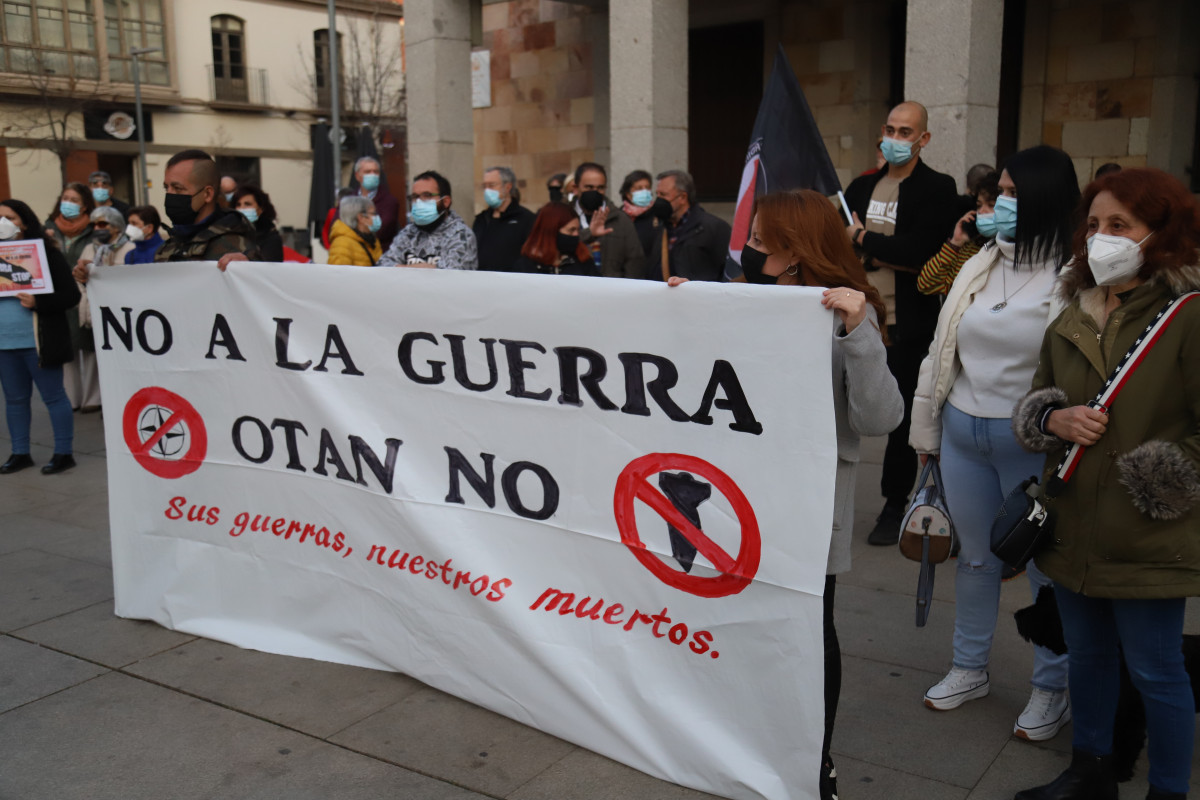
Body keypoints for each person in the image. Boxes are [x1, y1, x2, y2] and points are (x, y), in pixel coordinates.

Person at [669, 189, 903, 800]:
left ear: (795, 247)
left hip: (804, 505)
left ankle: (814, 759)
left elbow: (880, 417)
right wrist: (670, 312)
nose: (750, 242)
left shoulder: (848, 313)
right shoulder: (746, 302)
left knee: (807, 629)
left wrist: (858, 330)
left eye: (763, 234)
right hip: (733, 494)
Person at [1011, 168, 1200, 800]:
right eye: (1093, 224)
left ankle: (1168, 790)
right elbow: (1039, 397)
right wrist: (1050, 417)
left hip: (1147, 529)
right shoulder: (1075, 308)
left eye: (1119, 225)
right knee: (1086, 659)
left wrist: (1158, 478)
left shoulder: (1188, 315)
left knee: (1156, 670)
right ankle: (1089, 772)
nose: (1101, 238)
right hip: (1070, 524)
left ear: (1160, 233)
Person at [909, 145, 1079, 742]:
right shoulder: (983, 260)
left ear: (1042, 199)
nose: (996, 203)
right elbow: (943, 346)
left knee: (1044, 569)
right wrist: (927, 432)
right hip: (962, 432)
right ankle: (969, 667)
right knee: (977, 559)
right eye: (996, 192)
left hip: (1031, 442)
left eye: (1009, 192)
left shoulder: (1074, 273)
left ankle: (1052, 688)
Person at [843, 100, 960, 546]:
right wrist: (871, 249)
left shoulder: (937, 188)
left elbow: (921, 252)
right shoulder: (859, 187)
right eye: (890, 129)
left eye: (906, 132)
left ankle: (895, 504)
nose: (895, 139)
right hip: (860, 319)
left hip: (910, 324)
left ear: (923, 139)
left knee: (902, 417)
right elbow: (840, 244)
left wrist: (862, 241)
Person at [0, 198, 80, 475]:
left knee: (54, 396)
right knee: (14, 400)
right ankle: (20, 452)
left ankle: (63, 452)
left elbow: (71, 295)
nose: (4, 223)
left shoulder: (47, 253)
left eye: (10, 217)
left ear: (24, 222)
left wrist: (39, 303)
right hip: (4, 343)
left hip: (39, 341)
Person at [66, 206, 135, 412]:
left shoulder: (128, 249)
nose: (98, 228)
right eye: (95, 224)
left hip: (120, 311)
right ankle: (97, 398)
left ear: (116, 226)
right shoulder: (90, 248)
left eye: (103, 224)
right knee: (94, 354)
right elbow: (81, 277)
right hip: (92, 308)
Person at [156, 150, 261, 266]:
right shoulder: (168, 246)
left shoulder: (236, 249)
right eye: (167, 188)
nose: (169, 195)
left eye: (178, 188)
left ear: (207, 194)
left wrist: (247, 265)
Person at [917, 170, 1000, 295]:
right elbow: (925, 284)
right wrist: (955, 243)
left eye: (991, 205)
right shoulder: (969, 248)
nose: (982, 211)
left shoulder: (1012, 252)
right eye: (979, 205)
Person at [378, 171, 477, 270]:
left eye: (427, 195)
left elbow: (452, 272)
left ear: (446, 201)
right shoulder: (408, 233)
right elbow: (383, 265)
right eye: (415, 197)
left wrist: (404, 269)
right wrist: (425, 268)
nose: (419, 202)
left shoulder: (461, 234)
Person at [648, 169, 731, 282]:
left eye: (663, 195)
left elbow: (728, 273)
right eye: (656, 194)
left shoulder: (715, 228)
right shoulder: (659, 228)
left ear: (682, 197)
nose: (658, 200)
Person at [571, 162, 644, 279]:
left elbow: (634, 261)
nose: (595, 192)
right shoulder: (565, 217)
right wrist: (589, 234)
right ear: (575, 188)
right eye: (589, 187)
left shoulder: (621, 220)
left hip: (613, 292)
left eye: (600, 188)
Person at [510, 202, 599, 277]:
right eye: (571, 230)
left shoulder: (583, 262)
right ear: (552, 231)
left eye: (577, 230)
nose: (576, 235)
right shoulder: (525, 267)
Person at [473, 166, 535, 272]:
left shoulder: (526, 219)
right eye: (485, 186)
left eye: (492, 185)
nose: (487, 190)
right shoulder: (481, 220)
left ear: (507, 187)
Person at [619, 169, 670, 257]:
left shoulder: (659, 214)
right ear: (628, 194)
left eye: (647, 187)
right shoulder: (619, 217)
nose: (645, 191)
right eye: (639, 188)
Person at [353, 157, 401, 249]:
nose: (372, 175)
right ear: (357, 175)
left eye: (376, 172)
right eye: (367, 172)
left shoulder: (390, 201)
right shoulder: (348, 200)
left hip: (380, 254)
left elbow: (382, 230)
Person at [45, 183, 96, 268]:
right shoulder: (48, 228)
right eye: (65, 199)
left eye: (74, 200)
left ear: (84, 207)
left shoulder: (94, 230)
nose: (68, 203)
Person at [231, 184, 284, 262]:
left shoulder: (271, 238)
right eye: (238, 205)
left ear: (261, 209)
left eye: (247, 204)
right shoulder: (231, 233)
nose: (242, 208)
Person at [327, 195, 382, 266]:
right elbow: (338, 274)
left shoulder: (372, 241)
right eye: (373, 214)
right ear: (361, 217)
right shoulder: (342, 243)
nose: (376, 217)